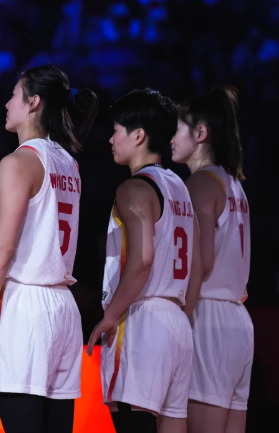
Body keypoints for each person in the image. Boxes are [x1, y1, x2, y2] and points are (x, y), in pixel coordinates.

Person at [0, 65, 99, 433]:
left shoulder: (16, 162)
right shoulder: (68, 163)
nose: (7, 103)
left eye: (14, 95)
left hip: (26, 309)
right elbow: (39, 201)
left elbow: (2, 251)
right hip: (63, 309)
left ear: (33, 103)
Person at [87, 89, 201, 433]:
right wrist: (181, 318)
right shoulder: (181, 188)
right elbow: (197, 266)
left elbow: (142, 259)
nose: (111, 139)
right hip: (178, 321)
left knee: (132, 422)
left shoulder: (134, 189)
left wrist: (109, 315)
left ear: (138, 135)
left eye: (116, 130)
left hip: (141, 319)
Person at [170, 86, 252, 433]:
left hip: (207, 319)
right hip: (239, 321)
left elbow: (200, 263)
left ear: (200, 133)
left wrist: (179, 326)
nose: (170, 137)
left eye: (177, 128)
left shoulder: (199, 183)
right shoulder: (234, 184)